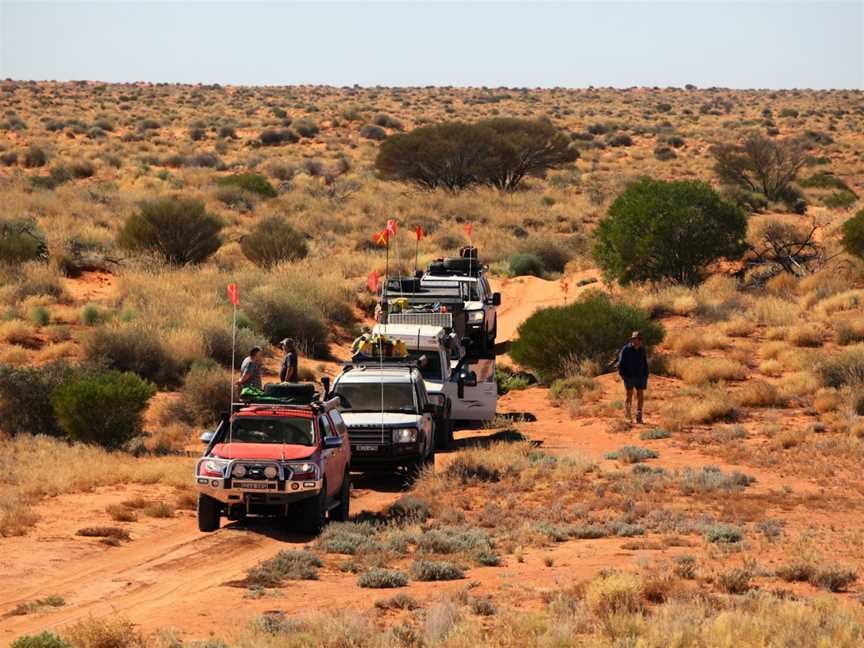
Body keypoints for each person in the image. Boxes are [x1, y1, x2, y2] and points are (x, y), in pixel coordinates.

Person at [618, 331, 649, 424]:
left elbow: (645, 362)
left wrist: (646, 374)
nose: (637, 341)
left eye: (639, 339)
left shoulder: (642, 349)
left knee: (640, 395)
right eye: (635, 339)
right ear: (632, 340)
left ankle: (639, 415)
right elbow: (620, 363)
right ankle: (628, 416)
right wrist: (623, 375)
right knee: (629, 394)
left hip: (641, 376)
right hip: (629, 376)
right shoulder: (626, 349)